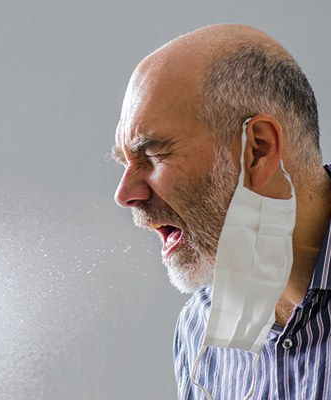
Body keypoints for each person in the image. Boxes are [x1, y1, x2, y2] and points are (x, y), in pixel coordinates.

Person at [111, 24, 331, 399]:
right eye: (124, 163)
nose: (125, 194)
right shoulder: (198, 329)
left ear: (257, 150)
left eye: (152, 155)